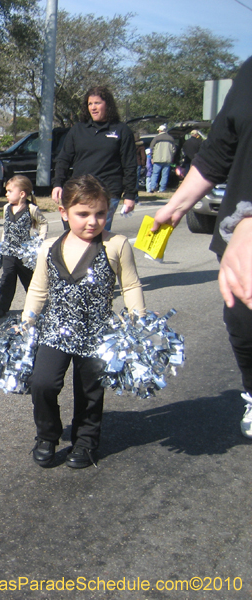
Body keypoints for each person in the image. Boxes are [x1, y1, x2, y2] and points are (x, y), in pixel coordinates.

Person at [152, 56, 252, 438]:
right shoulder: (249, 72)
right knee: (243, 322)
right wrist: (174, 206)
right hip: (237, 234)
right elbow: (218, 153)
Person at [24, 175, 145, 468]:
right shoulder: (49, 247)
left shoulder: (116, 244)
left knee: (90, 390)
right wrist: (26, 323)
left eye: (100, 213)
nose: (93, 221)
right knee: (42, 384)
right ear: (64, 213)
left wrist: (137, 323)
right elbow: (38, 289)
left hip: (97, 333)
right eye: (83, 214)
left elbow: (130, 286)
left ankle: (86, 441)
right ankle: (47, 435)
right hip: (55, 329)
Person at [52, 86, 137, 231]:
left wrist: (130, 195)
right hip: (80, 189)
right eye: (90, 104)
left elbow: (130, 165)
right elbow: (64, 159)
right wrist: (58, 183)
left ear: (107, 105)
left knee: (97, 234)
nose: (93, 107)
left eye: (97, 103)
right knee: (74, 232)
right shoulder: (78, 130)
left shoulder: (121, 130)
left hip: (108, 190)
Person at [0, 175, 48, 319]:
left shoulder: (31, 209)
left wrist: (40, 240)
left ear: (22, 194)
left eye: (10, 191)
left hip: (24, 253)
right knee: (7, 278)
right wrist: (2, 243)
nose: (6, 194)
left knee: (28, 280)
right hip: (8, 251)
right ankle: (1, 307)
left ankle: (37, 306)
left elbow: (43, 223)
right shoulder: (6, 208)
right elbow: (6, 228)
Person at [148, 124, 177, 193]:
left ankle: (152, 187)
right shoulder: (171, 139)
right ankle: (162, 189)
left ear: (160, 131)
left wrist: (152, 157)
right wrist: (171, 156)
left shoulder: (156, 138)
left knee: (155, 174)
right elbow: (174, 150)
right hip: (167, 159)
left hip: (157, 159)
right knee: (165, 175)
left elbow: (151, 149)